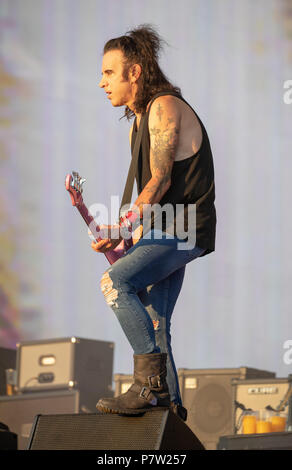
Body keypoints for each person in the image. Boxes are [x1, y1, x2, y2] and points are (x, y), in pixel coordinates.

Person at [92, 25, 216, 421]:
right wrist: (131, 237)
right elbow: (151, 189)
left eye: (110, 73)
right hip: (163, 229)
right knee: (155, 323)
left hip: (182, 228)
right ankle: (170, 412)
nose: (102, 83)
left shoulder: (163, 107)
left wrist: (122, 229)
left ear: (135, 72)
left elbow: (160, 180)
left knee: (114, 283)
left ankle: (148, 386)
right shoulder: (139, 121)